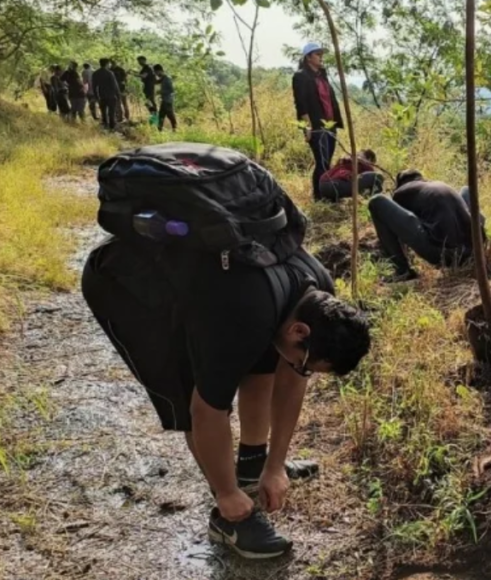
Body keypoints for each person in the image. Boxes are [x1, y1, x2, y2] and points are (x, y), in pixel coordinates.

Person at [82, 228, 372, 559]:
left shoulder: (317, 294)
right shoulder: (242, 317)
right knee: (190, 391)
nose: (302, 369)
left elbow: (290, 378)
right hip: (128, 286)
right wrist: (227, 491)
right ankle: (230, 518)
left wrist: (274, 465)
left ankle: (251, 465)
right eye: (306, 363)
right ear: (299, 331)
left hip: (209, 285)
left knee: (266, 360)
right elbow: (207, 412)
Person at [367, 169, 483, 282]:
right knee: (465, 189)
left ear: (400, 184)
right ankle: (487, 244)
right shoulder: (437, 186)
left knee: (376, 201)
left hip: (442, 253)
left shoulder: (402, 191)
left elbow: (400, 226)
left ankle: (402, 271)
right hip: (476, 249)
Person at [291, 42, 343, 201]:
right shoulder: (301, 76)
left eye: (321, 54)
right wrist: (307, 127)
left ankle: (327, 194)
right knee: (322, 162)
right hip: (316, 126)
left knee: (327, 162)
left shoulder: (322, 75)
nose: (321, 57)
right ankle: (319, 197)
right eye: (317, 54)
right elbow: (301, 103)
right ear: (308, 57)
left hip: (330, 125)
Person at [318, 149, 384, 202]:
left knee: (362, 180)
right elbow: (371, 174)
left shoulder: (346, 161)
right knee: (377, 176)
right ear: (369, 159)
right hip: (335, 184)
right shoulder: (361, 163)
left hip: (323, 186)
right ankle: (376, 202)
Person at [92, 58, 121, 131]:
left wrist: (96, 96)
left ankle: (105, 126)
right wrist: (118, 95)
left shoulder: (95, 73)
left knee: (103, 112)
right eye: (109, 64)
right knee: (111, 112)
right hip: (111, 95)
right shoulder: (110, 73)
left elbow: (94, 86)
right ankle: (112, 127)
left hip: (102, 96)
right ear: (107, 64)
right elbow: (115, 85)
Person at [153, 64, 177, 132]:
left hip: (168, 100)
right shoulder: (163, 78)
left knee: (170, 115)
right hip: (164, 100)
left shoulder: (167, 79)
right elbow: (156, 82)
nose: (156, 74)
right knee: (161, 116)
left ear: (160, 71)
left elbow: (171, 90)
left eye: (156, 72)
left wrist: (161, 92)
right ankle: (159, 130)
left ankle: (175, 129)